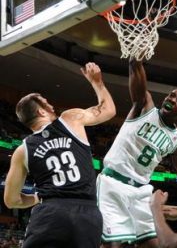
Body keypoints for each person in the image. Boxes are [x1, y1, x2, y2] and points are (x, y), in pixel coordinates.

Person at [4, 62, 116, 248]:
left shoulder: (22, 150)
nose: (51, 105)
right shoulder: (70, 119)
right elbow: (109, 111)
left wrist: (38, 198)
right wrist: (97, 83)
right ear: (41, 111)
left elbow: (11, 200)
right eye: (46, 103)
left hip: (50, 212)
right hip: (86, 213)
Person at [96, 58, 177, 248]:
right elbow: (139, 88)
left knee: (153, 245)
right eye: (171, 95)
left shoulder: (176, 141)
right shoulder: (145, 107)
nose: (172, 99)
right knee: (111, 245)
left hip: (141, 192)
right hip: (114, 184)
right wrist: (136, 63)